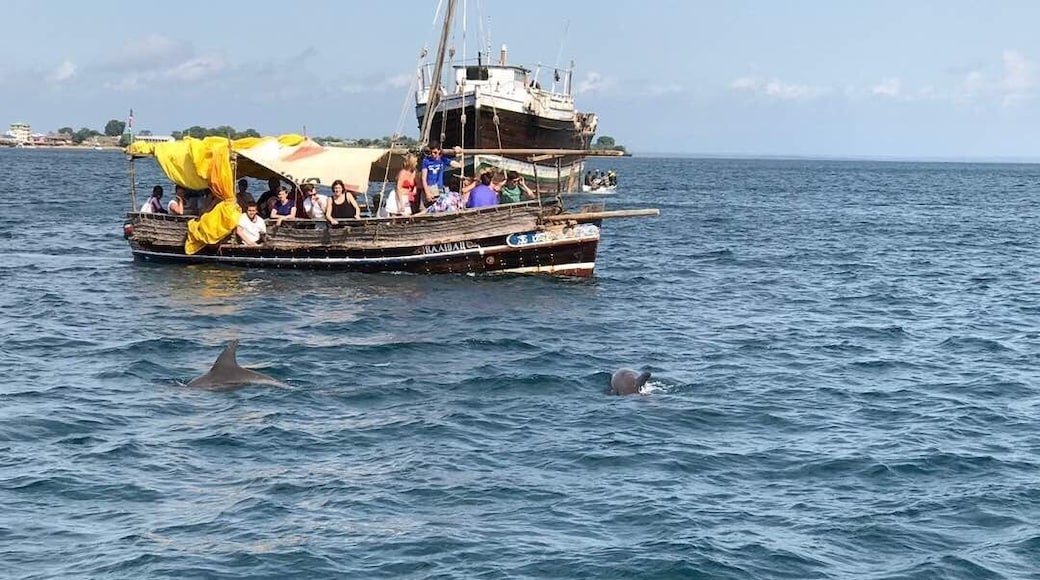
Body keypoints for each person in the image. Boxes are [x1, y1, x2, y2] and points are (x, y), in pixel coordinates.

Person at [421, 141, 463, 206]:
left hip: (439, 189)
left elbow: (459, 165)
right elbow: (423, 178)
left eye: (435, 152)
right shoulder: (426, 161)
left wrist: (460, 153)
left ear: (439, 151)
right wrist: (427, 193)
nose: (433, 154)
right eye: (431, 152)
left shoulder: (443, 160)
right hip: (429, 189)